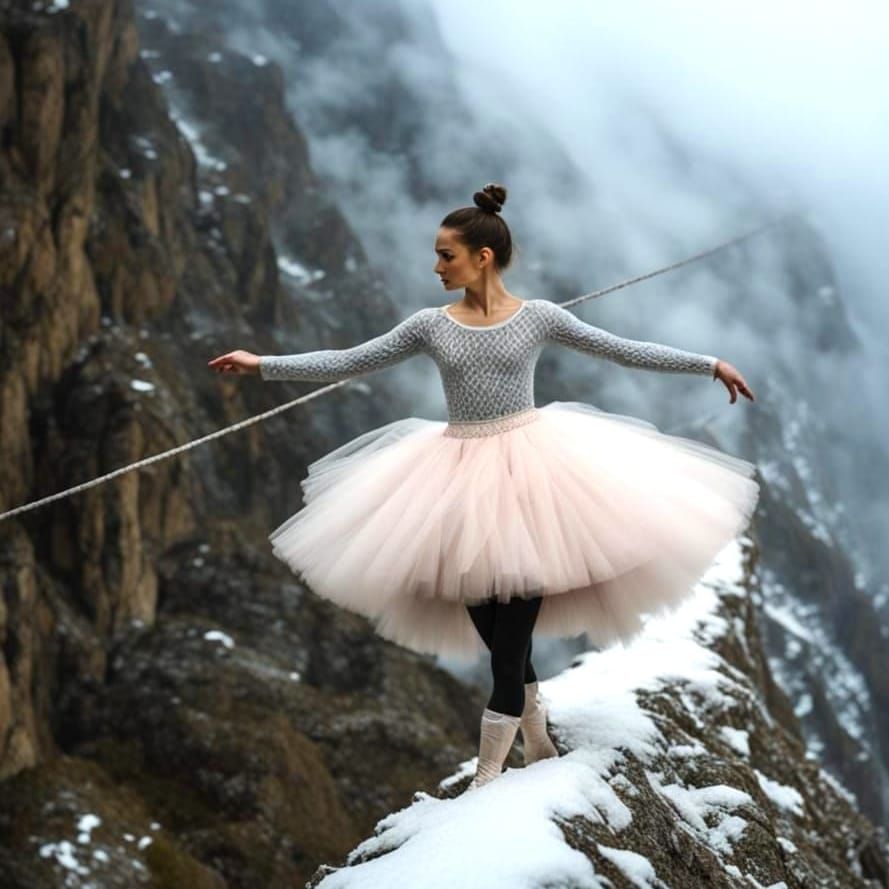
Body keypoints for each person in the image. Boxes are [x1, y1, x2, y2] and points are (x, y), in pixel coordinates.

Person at [207, 183, 759, 793]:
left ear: (483, 257)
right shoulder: (429, 326)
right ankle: (540, 739)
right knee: (500, 638)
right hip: (455, 485)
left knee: (508, 642)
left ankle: (489, 776)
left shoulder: (540, 318)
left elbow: (621, 350)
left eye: (447, 255)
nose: (437, 267)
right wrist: (264, 365)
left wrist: (708, 364)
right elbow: (348, 360)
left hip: (533, 482)